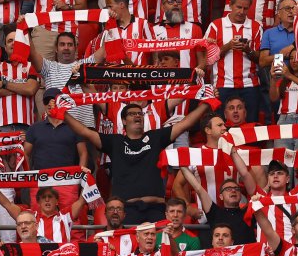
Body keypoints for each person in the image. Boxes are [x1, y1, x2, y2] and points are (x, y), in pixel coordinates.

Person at [59, 95, 216, 223]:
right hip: (127, 210)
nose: (138, 116)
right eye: (133, 114)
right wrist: (62, 113)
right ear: (124, 121)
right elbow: (84, 131)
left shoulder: (155, 137)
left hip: (156, 209)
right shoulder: (114, 142)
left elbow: (185, 124)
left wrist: (206, 103)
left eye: (140, 114)